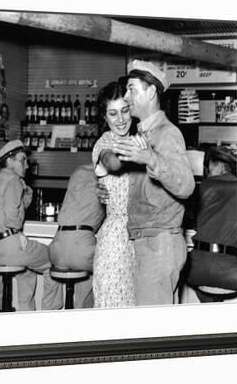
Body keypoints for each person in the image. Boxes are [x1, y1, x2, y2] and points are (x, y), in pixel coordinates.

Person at [104, 60, 195, 306]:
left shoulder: (167, 133)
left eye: (131, 89)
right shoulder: (143, 134)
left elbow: (186, 186)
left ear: (151, 92)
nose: (125, 96)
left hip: (160, 243)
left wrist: (151, 158)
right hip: (148, 241)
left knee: (151, 332)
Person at [0, 140, 51, 312]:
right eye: (22, 160)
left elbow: (8, 210)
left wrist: (26, 196)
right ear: (9, 162)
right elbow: (12, 219)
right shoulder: (13, 180)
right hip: (9, 247)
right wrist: (17, 232)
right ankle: (46, 314)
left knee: (26, 272)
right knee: (53, 261)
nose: (27, 165)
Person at [91, 81, 146, 308]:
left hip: (140, 237)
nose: (121, 119)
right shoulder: (103, 143)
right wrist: (137, 152)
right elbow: (111, 162)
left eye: (125, 110)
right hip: (115, 241)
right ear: (105, 117)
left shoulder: (140, 137)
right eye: (113, 114)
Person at [42, 164, 106, 309]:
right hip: (81, 246)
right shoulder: (105, 176)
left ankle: (50, 314)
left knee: (85, 267)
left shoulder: (78, 172)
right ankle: (82, 315)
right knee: (108, 268)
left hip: (57, 247)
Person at [187, 146, 237, 302]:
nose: (208, 173)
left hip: (197, 270)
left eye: (210, 168)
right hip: (233, 273)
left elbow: (190, 219)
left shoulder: (201, 187)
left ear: (220, 166)